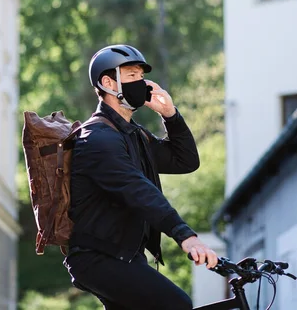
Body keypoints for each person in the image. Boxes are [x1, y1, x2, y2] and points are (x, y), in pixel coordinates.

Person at [63, 44, 218, 310]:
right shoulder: (99, 139)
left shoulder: (133, 135)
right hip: (98, 257)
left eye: (141, 76)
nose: (141, 82)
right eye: (132, 76)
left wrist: (170, 115)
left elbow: (185, 161)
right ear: (108, 82)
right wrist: (185, 235)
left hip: (124, 255)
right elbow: (138, 190)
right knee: (176, 305)